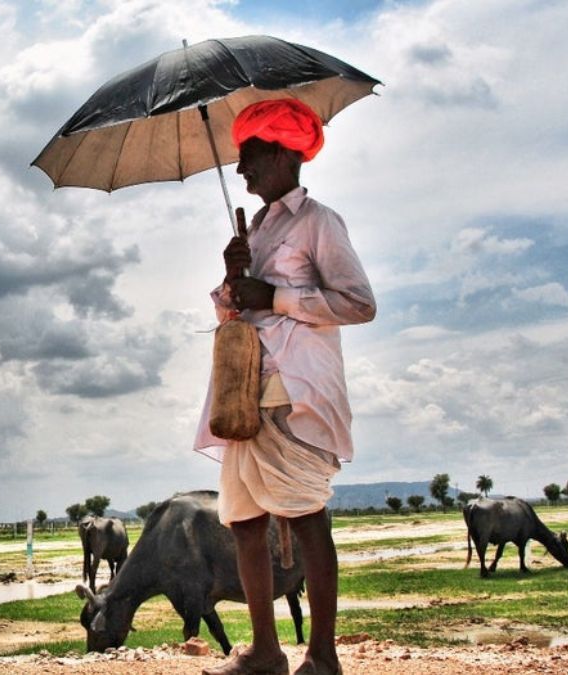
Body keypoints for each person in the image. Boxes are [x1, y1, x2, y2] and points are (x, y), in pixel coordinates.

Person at [195, 98, 376, 675]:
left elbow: (358, 305)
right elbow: (236, 317)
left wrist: (273, 296)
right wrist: (233, 278)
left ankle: (322, 656)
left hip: (294, 392)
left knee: (305, 517)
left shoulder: (319, 222)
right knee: (244, 519)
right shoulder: (259, 231)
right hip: (244, 393)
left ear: (281, 153)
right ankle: (266, 653)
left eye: (249, 156)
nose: (242, 170)